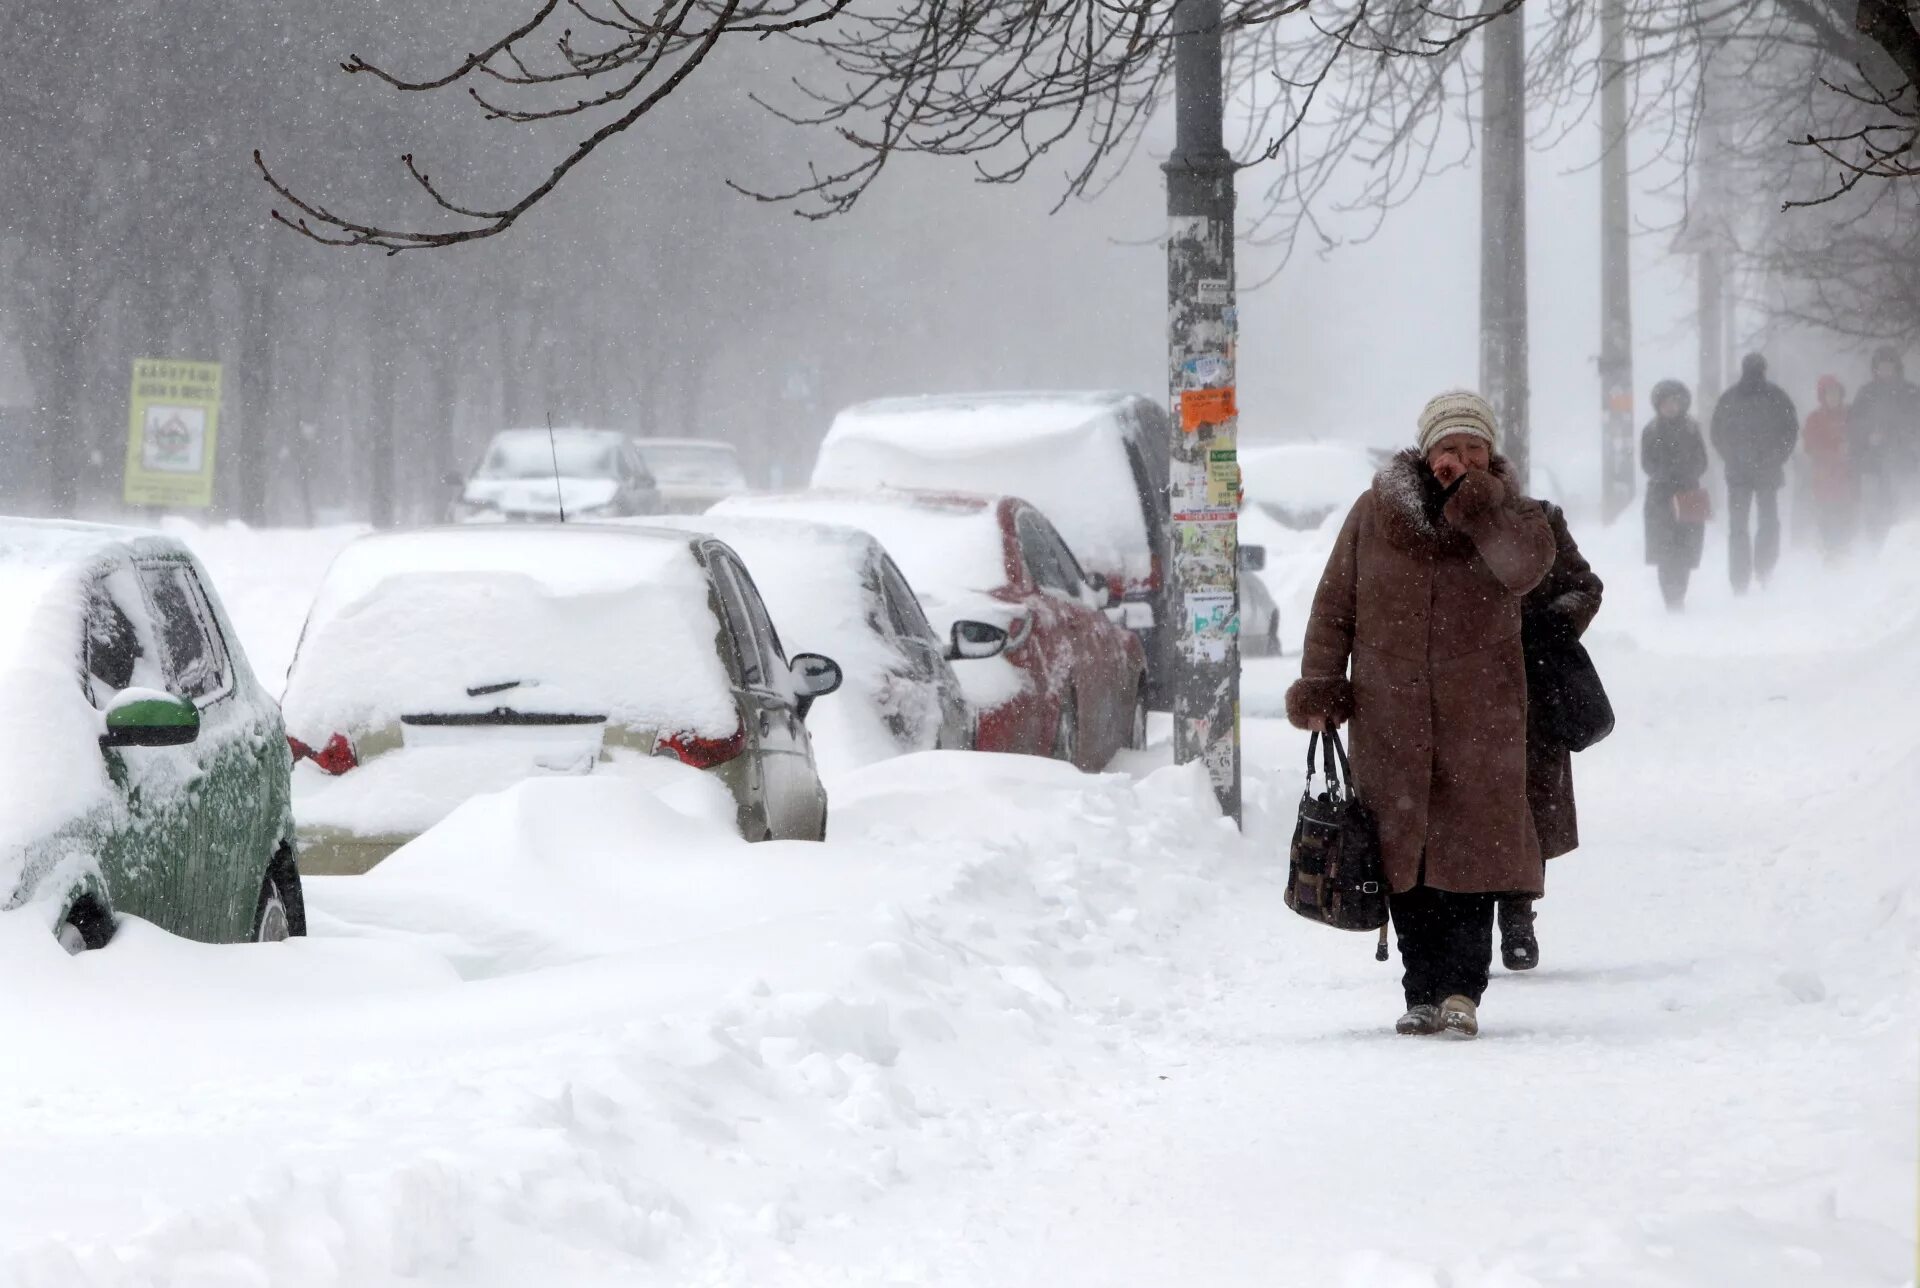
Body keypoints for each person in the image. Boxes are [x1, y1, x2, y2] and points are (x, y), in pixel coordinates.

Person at [1287, 390, 1555, 1039]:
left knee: (1472, 856)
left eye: (1473, 449)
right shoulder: (1376, 514)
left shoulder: (1512, 516)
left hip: (1480, 716)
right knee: (1404, 860)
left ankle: (1463, 989)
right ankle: (1421, 991)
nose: (1459, 459)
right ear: (1425, 451)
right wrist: (1323, 686)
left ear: (1490, 455)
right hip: (1390, 713)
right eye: (1448, 448)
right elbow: (1335, 605)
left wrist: (1479, 508)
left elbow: (1527, 570)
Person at [1499, 502, 1604, 971]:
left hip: (1533, 689)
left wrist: (1549, 626)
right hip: (1458, 687)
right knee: (1464, 804)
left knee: (1529, 800)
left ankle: (1519, 913)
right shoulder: (1432, 522)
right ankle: (1469, 924)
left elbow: (1585, 587)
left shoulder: (1536, 519)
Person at [1709, 354, 1799, 593]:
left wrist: (1735, 456)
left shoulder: (1732, 398)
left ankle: (1747, 578)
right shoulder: (1776, 397)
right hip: (1753, 471)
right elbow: (1790, 431)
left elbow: (1717, 433)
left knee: (1745, 527)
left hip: (1748, 472)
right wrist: (1775, 457)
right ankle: (1760, 571)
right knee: (1762, 523)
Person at [1641, 379, 1710, 610]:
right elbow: (1647, 463)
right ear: (1659, 405)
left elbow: (1702, 460)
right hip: (1660, 497)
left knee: (1686, 547)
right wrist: (1666, 476)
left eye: (1675, 402)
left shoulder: (1691, 428)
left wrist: (1687, 475)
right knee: (1665, 548)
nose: (1671, 407)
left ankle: (1680, 592)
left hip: (1689, 494)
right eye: (1666, 403)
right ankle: (1670, 596)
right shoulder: (1651, 431)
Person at [1849, 347, 1917, 546]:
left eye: (1889, 366)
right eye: (1881, 366)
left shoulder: (1910, 392)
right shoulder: (1866, 393)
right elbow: (1853, 424)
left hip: (1905, 462)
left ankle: (1904, 549)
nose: (1886, 370)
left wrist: (1905, 437)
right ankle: (1877, 549)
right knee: (1875, 511)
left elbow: (1916, 422)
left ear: (1897, 368)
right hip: (1873, 464)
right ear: (1875, 369)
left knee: (1905, 507)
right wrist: (1868, 436)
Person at [1801, 375, 1855, 562]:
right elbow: (1810, 447)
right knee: (1827, 514)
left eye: (1836, 393)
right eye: (1829, 394)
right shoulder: (1814, 419)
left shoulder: (1851, 414)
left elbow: (1860, 437)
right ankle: (1830, 551)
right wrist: (1833, 454)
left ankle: (1844, 550)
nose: (1833, 397)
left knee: (1846, 512)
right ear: (1822, 397)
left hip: (1847, 476)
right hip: (1824, 476)